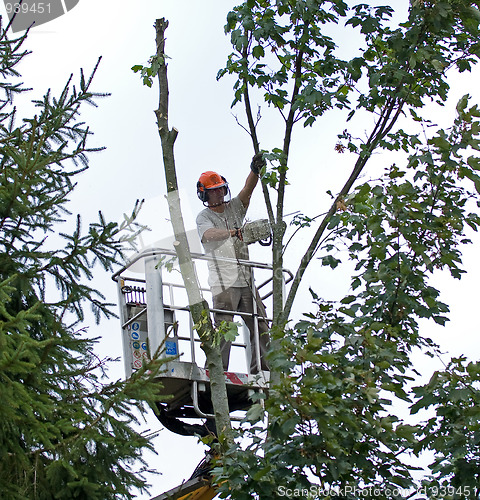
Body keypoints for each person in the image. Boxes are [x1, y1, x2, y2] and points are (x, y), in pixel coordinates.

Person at [195, 153, 269, 374]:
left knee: (261, 326)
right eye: (214, 190)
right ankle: (216, 371)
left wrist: (255, 170)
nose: (218, 192)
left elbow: (248, 190)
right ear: (205, 194)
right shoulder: (204, 217)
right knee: (224, 328)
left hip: (247, 280)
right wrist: (233, 233)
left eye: (220, 188)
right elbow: (208, 235)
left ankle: (264, 372)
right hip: (224, 282)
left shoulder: (235, 208)